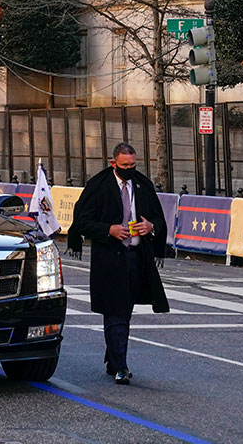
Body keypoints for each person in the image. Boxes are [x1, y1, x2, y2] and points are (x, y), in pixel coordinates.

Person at [68, 142, 169, 385]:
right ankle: (121, 366)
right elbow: (81, 221)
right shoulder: (99, 185)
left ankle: (114, 358)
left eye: (133, 165)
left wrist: (150, 226)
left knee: (125, 311)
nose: (129, 169)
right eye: (124, 165)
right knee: (115, 311)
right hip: (109, 258)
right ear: (114, 163)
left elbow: (158, 217)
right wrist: (108, 230)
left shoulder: (142, 184)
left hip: (137, 256)